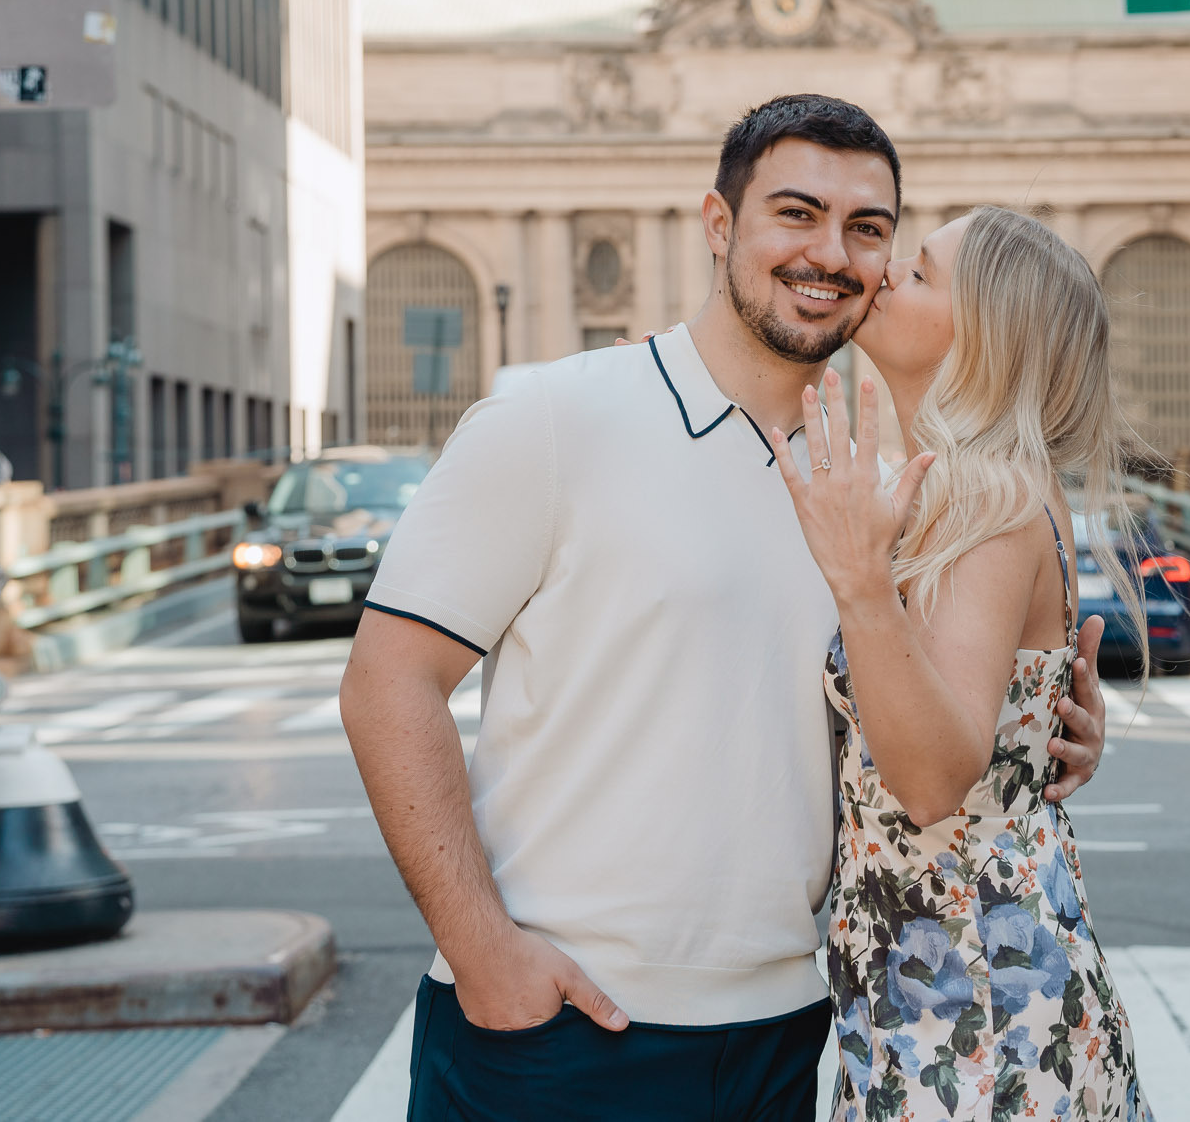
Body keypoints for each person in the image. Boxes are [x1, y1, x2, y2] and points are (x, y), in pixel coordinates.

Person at [338, 95, 1111, 1121]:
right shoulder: (555, 420)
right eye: (794, 213)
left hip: (793, 1038)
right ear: (718, 226)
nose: (830, 253)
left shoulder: (899, 487)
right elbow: (386, 682)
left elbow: (945, 721)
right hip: (557, 1030)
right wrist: (485, 955)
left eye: (870, 231)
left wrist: (1041, 730)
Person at [768, 207, 1152, 1120]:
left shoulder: (984, 493)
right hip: (947, 993)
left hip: (974, 1020)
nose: (888, 270)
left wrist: (861, 584)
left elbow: (935, 776)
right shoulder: (973, 484)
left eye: (925, 271)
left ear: (987, 338)